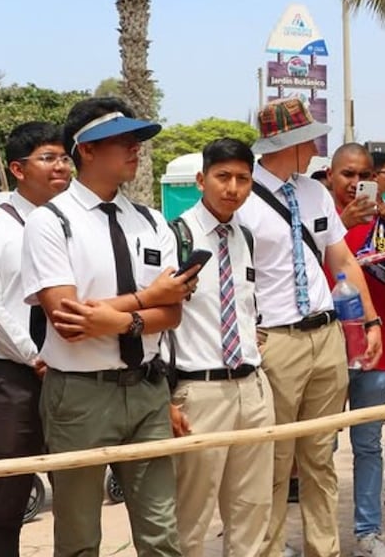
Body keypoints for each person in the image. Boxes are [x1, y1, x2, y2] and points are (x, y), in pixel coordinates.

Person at [20, 97, 199, 557]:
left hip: (146, 390)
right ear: (86, 149)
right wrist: (145, 301)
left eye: (136, 139)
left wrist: (118, 317)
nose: (135, 149)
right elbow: (67, 320)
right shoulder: (50, 222)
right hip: (80, 393)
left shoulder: (152, 221)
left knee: (161, 533)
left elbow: (172, 313)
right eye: (122, 140)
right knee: (79, 536)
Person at [237, 98, 384, 557]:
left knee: (320, 456)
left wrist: (370, 318)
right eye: (310, 137)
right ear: (290, 143)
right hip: (276, 340)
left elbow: (341, 260)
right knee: (275, 458)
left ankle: (325, 549)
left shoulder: (315, 193)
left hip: (326, 336)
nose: (318, 145)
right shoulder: (243, 199)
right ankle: (271, 548)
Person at [167, 138, 275, 557]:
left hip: (252, 388)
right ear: (201, 180)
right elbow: (159, 326)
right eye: (222, 177)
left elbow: (248, 308)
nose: (232, 187)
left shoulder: (244, 237)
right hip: (200, 392)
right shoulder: (175, 235)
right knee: (190, 514)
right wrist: (166, 398)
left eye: (242, 179)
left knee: (252, 510)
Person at [0, 121, 71, 556]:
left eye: (65, 158)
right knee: (5, 498)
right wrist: (36, 356)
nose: (61, 167)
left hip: (75, 376)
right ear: (17, 168)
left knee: (76, 494)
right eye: (48, 158)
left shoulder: (75, 223)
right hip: (14, 380)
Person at [325, 143, 385, 557]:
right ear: (330, 176)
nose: (356, 184)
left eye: (364, 176)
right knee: (320, 448)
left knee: (369, 445)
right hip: (325, 351)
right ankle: (319, 537)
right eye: (347, 175)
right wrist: (339, 223)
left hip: (377, 348)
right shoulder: (317, 220)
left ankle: (368, 535)